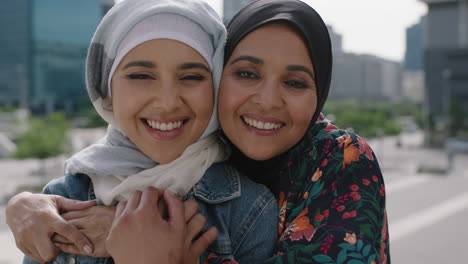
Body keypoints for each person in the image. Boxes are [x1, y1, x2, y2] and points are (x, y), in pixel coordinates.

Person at [7, 0, 390, 263]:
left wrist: (155, 250)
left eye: (295, 83)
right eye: (246, 73)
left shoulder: (330, 163)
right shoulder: (66, 198)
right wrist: (23, 203)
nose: (268, 100)